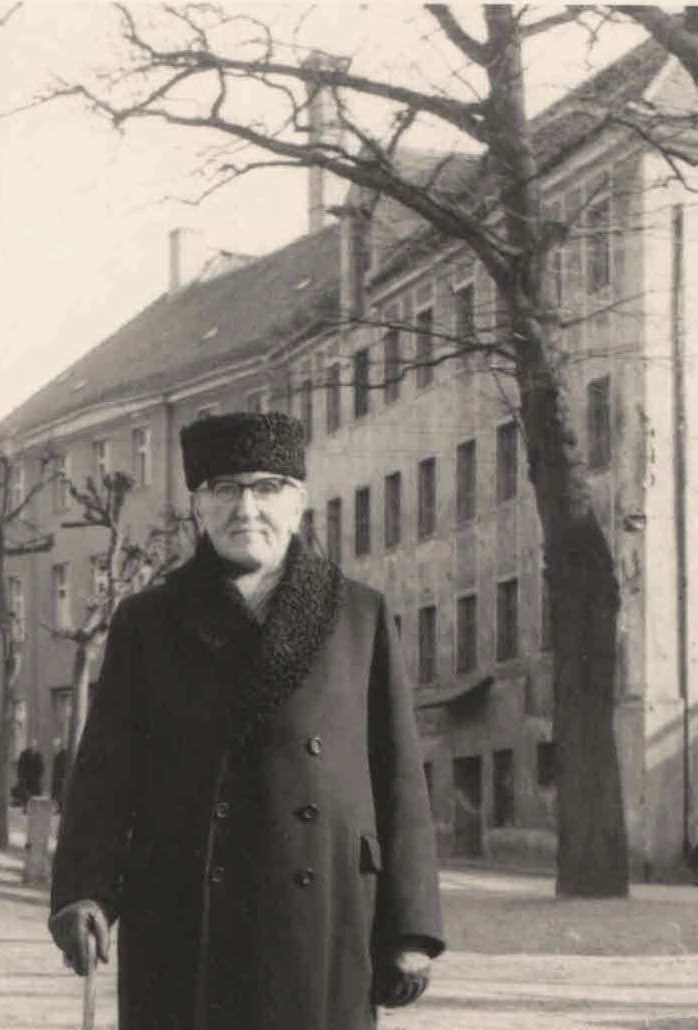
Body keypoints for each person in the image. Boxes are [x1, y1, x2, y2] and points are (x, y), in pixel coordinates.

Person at [49, 412, 443, 1030]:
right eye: (224, 489)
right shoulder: (148, 622)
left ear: (299, 502)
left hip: (325, 919)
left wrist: (412, 927)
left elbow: (399, 778)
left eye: (267, 488)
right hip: (182, 915)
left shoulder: (359, 617)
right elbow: (103, 775)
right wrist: (82, 890)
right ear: (199, 506)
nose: (246, 508)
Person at [15, 740, 44, 811]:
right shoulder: (24, 754)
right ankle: (25, 807)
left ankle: (34, 809)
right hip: (26, 779)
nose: (34, 747)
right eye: (32, 745)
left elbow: (41, 768)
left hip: (35, 780)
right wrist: (21, 777)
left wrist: (39, 775)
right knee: (26, 795)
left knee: (35, 795)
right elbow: (20, 767)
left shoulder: (39, 755)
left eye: (35, 745)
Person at [50, 738, 68, 813]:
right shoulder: (56, 754)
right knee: (56, 794)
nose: (55, 747)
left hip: (61, 778)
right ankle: (58, 808)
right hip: (56, 778)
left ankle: (61, 809)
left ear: (59, 745)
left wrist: (62, 777)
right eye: (54, 746)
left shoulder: (64, 755)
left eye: (56, 745)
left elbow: (64, 767)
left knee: (61, 794)